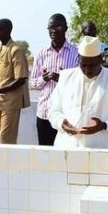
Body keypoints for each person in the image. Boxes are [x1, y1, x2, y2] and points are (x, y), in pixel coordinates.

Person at [48, 36, 108, 149]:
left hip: (102, 150)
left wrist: (104, 125)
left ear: (100, 60)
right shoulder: (66, 78)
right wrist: (61, 123)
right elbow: (53, 110)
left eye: (92, 65)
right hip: (67, 147)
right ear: (78, 60)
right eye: (84, 65)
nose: (87, 70)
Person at [29, 14, 79, 145]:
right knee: (45, 155)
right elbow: (33, 83)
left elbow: (80, 83)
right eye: (50, 27)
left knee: (66, 154)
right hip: (44, 113)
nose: (53, 30)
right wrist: (44, 79)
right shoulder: (41, 53)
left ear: (66, 28)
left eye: (58, 26)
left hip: (67, 115)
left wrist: (62, 78)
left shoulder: (76, 53)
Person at [0, 18, 30, 144]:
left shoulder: (15, 50)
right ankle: (4, 163)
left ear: (8, 30)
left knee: (6, 139)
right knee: (1, 139)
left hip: (11, 103)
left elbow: (21, 79)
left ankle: (10, 163)